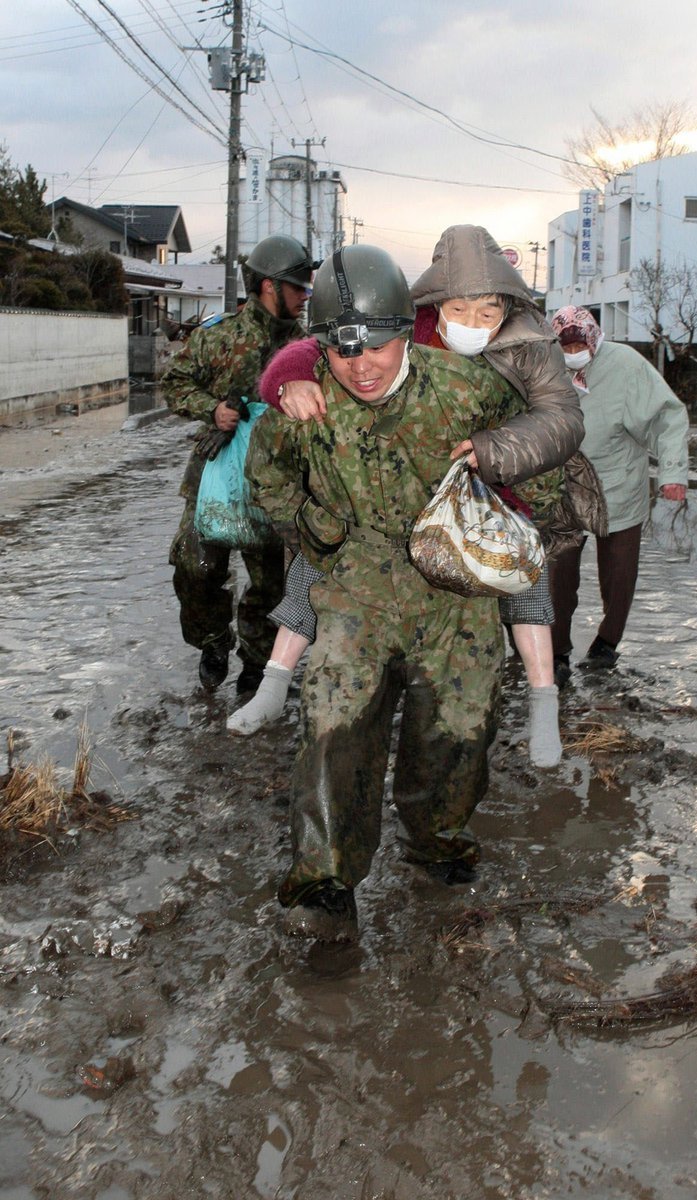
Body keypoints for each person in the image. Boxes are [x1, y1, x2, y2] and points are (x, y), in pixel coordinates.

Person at [244, 244, 551, 942]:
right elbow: (266, 482)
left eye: (377, 346)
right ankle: (324, 882)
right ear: (323, 345)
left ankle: (438, 843)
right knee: (331, 723)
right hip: (356, 586)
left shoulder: (467, 388)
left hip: (454, 590)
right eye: (344, 350)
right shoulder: (305, 398)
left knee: (459, 732)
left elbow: (544, 457)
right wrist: (309, 520)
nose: (362, 366)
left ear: (404, 333)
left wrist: (502, 511)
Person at [232, 226, 604, 767]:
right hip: (413, 482)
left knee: (525, 579)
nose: (473, 324)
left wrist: (497, 452)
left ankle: (544, 703)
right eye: (460, 308)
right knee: (318, 564)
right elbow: (324, 345)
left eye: (487, 312)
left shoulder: (530, 342)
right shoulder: (410, 329)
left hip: (508, 474)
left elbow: (561, 418)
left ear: (508, 306)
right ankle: (274, 681)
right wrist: (287, 383)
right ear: (432, 304)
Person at [162, 235, 318, 694]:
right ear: (270, 286)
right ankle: (213, 642)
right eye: (299, 288)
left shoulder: (308, 348)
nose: (306, 297)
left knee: (273, 582)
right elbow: (173, 384)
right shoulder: (218, 338)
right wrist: (212, 409)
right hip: (214, 470)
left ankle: (256, 665)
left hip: (278, 480)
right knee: (196, 569)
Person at [549, 305, 688, 685]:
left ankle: (606, 644)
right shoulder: (546, 364)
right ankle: (557, 652)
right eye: (565, 343)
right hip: (564, 484)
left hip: (619, 482)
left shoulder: (626, 365)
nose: (573, 348)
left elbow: (667, 417)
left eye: (580, 341)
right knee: (557, 573)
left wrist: (673, 473)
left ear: (594, 337)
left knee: (619, 573)